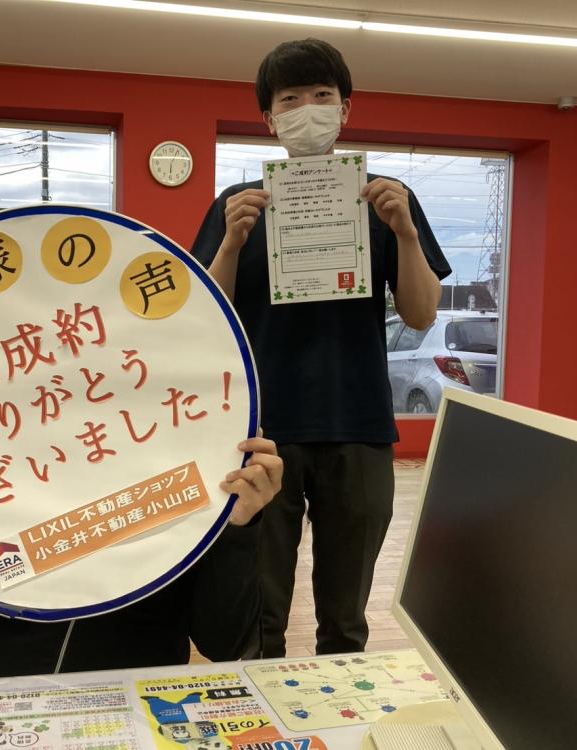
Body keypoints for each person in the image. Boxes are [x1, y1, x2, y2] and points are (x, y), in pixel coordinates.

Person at [191, 38, 451, 657]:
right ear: (269, 118)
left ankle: (339, 702)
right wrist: (231, 244)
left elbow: (419, 313)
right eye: (290, 99)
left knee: (345, 616)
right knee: (259, 615)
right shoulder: (236, 206)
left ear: (345, 108)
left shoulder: (387, 199)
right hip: (260, 430)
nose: (307, 108)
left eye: (321, 95)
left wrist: (405, 234)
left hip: (357, 424)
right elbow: (206, 317)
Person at [0, 425, 282, 676]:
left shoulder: (180, 468)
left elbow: (224, 643)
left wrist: (237, 524)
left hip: (140, 696)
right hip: (0, 693)